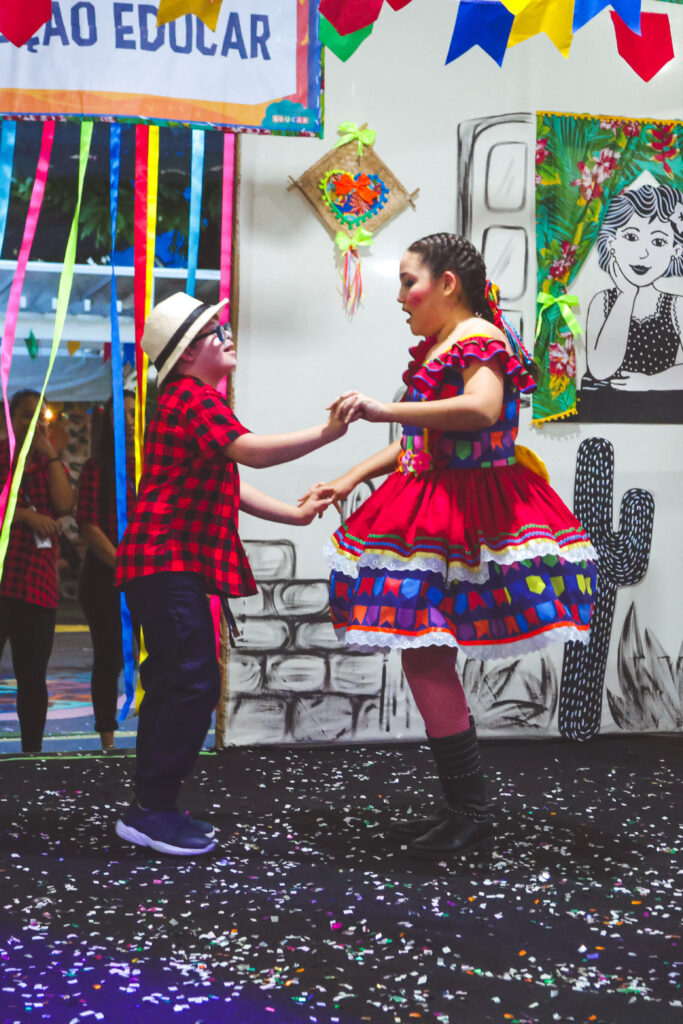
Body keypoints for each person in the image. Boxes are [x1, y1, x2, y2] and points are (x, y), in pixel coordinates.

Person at [307, 233, 597, 859]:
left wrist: (384, 410)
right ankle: (465, 809)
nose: (401, 297)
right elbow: (422, 438)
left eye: (408, 281)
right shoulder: (447, 344)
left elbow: (482, 409)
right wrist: (351, 477)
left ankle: (470, 813)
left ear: (447, 284)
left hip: (469, 512)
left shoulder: (480, 338)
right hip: (438, 505)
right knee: (424, 652)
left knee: (425, 653)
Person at [114, 292, 349, 857]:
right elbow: (251, 453)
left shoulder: (189, 400)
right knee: (191, 680)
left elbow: (229, 481)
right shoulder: (192, 397)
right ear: (187, 353)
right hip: (165, 560)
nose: (226, 336)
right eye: (213, 332)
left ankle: (152, 805)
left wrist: (294, 515)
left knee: (178, 680)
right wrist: (327, 433)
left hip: (163, 563)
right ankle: (151, 810)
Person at [0, 389, 75, 752]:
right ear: (10, 419)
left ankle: (32, 751)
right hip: (3, 581)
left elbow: (63, 505)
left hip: (38, 585)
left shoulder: (50, 463)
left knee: (32, 676)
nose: (33, 423)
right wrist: (25, 516)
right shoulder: (2, 456)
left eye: (39, 417)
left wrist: (51, 456)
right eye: (25, 415)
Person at [581, 183, 683, 420]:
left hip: (657, 414)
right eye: (631, 237)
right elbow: (600, 370)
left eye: (658, 242)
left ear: (675, 251)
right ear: (612, 243)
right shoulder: (602, 301)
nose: (643, 253)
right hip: (599, 413)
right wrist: (627, 295)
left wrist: (649, 382)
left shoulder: (677, 306)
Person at [77, 391, 136, 751]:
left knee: (155, 656)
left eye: (133, 413)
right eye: (122, 414)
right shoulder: (96, 467)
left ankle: (156, 735)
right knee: (109, 658)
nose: (128, 421)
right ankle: (107, 741)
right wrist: (123, 565)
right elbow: (88, 525)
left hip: (143, 576)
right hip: (104, 577)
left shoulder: (148, 467)